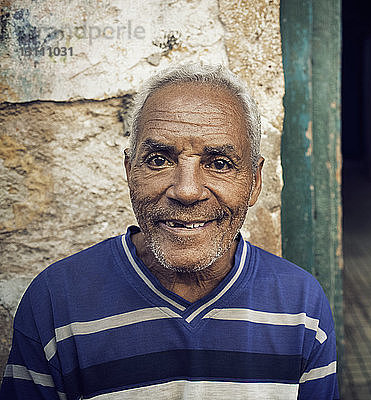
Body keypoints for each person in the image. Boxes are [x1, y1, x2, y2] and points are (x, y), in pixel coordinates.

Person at [0, 64, 339, 399]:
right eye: (159, 160)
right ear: (130, 172)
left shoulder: (302, 307)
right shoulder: (56, 302)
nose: (187, 191)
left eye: (219, 163)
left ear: (254, 182)